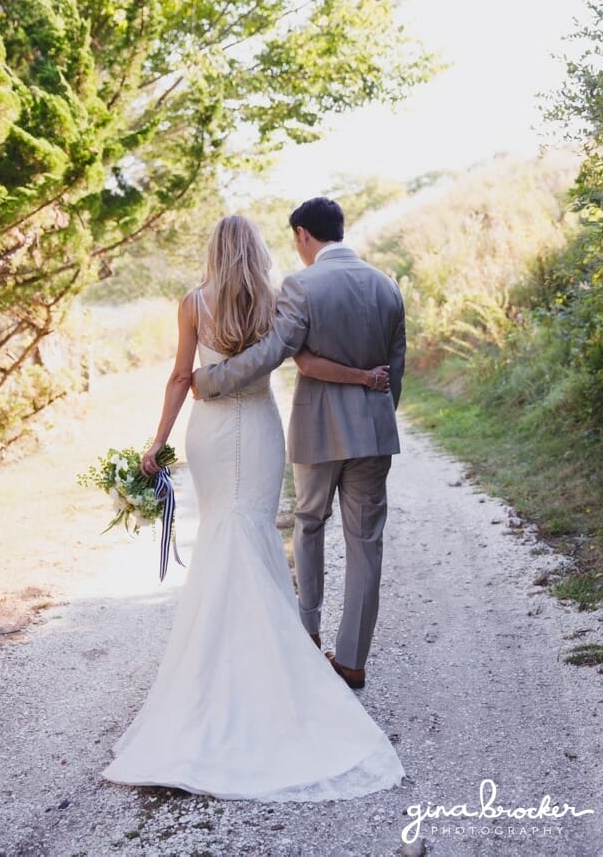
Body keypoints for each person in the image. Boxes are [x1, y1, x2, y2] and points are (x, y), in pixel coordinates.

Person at [103, 213, 404, 800]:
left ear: (214, 250)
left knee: (226, 532)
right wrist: (372, 388)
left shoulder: (193, 303)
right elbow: (304, 359)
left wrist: (157, 441)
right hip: (263, 429)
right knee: (258, 532)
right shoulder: (276, 297)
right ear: (259, 249)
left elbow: (180, 377)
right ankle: (296, 658)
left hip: (212, 432)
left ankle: (222, 667)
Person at [193, 196, 406, 690]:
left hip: (319, 431)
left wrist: (213, 380)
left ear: (303, 235)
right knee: (366, 543)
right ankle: (352, 660)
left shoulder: (302, 285)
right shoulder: (387, 286)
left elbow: (273, 351)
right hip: (373, 434)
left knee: (309, 524)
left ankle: (308, 634)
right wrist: (377, 417)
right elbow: (396, 367)